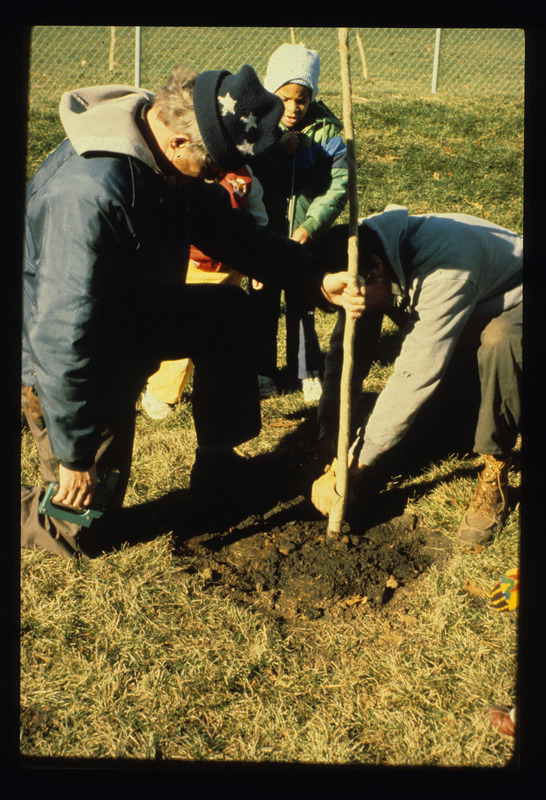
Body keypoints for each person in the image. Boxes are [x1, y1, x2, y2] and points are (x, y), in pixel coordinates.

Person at [21, 65, 365, 560]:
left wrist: (312, 277)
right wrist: (75, 455)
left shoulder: (162, 146)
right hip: (79, 361)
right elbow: (60, 339)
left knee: (226, 312)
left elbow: (230, 232)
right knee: (81, 529)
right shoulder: (87, 196)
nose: (215, 180)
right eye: (211, 170)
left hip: (135, 316)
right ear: (180, 141)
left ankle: (218, 464)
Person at [309, 205, 522, 546]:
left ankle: (495, 465)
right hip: (472, 306)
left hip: (517, 298)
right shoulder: (360, 254)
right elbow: (347, 352)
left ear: (377, 269)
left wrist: (353, 467)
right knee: (424, 439)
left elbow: (416, 374)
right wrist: (328, 433)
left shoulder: (445, 271)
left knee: (500, 340)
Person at [248, 44, 349, 403]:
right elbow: (247, 173)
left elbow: (338, 186)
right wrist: (276, 152)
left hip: (305, 235)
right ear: (271, 92)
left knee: (303, 299)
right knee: (262, 300)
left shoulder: (327, 132)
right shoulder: (257, 127)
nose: (293, 107)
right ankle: (261, 369)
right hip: (267, 232)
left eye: (302, 99)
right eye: (286, 98)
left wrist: (310, 225)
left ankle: (307, 369)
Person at [141, 164, 268, 420]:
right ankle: (161, 393)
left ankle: (221, 392)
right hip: (193, 265)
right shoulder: (189, 171)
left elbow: (258, 219)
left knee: (224, 330)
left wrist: (258, 263)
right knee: (184, 328)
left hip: (231, 265)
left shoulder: (244, 176)